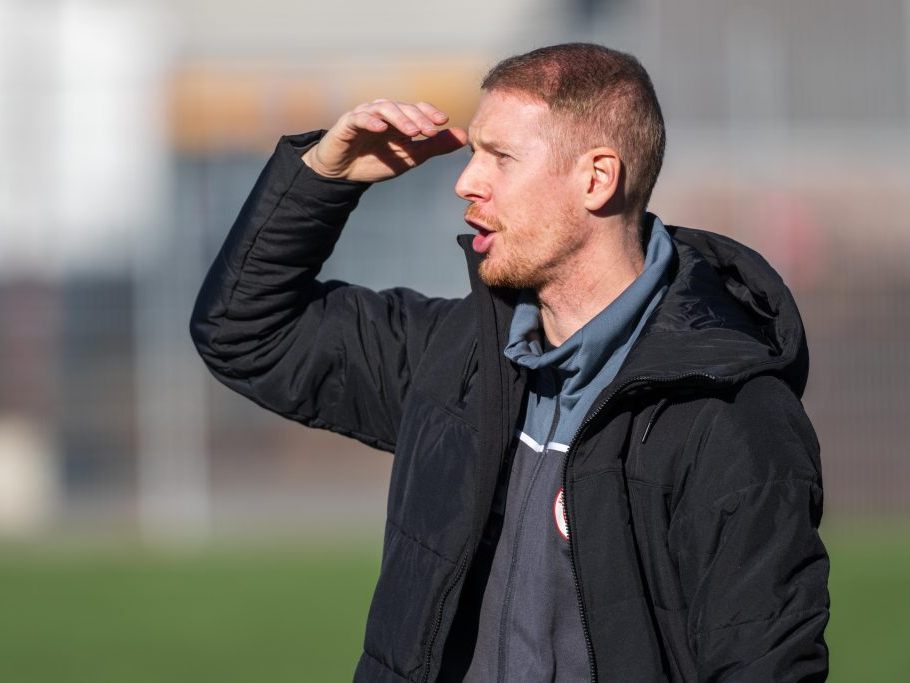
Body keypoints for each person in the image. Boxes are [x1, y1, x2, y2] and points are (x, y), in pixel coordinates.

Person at [191, 43, 829, 681]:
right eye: (474, 153)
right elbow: (244, 332)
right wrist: (322, 178)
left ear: (597, 178)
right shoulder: (458, 358)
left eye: (500, 157)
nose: (466, 182)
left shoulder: (729, 418)